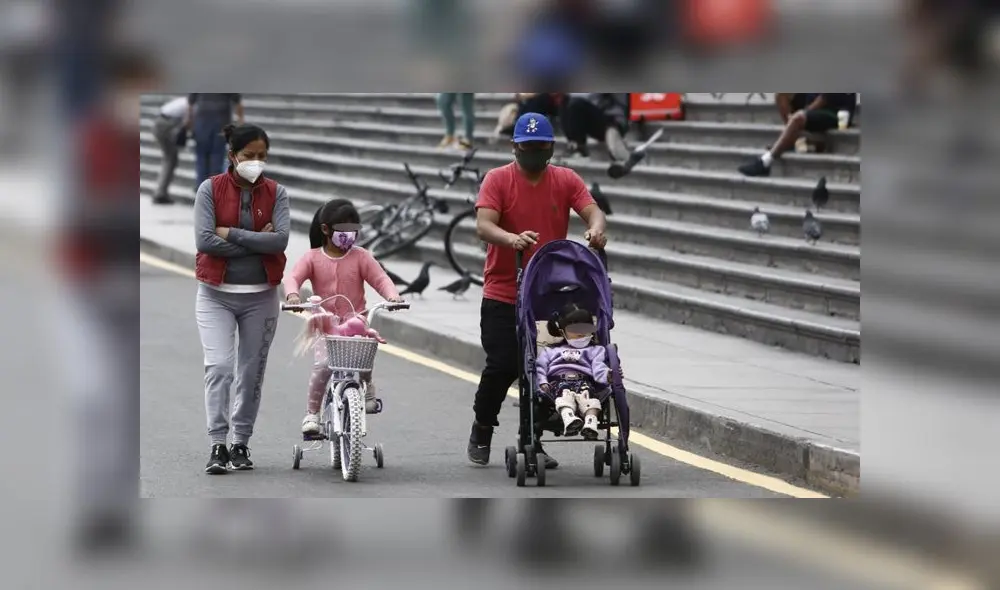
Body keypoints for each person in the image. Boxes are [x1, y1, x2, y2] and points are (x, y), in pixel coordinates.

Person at [468, 112, 608, 468]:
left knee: (545, 366)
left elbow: (593, 211)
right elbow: (484, 225)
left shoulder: (564, 179)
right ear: (515, 147)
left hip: (549, 294)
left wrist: (595, 229)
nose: (532, 153)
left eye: (539, 148)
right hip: (503, 290)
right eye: (526, 148)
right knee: (503, 365)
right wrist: (512, 239)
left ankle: (531, 441)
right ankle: (483, 424)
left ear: (550, 148)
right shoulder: (498, 180)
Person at [195, 123, 290, 474]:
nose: (256, 162)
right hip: (215, 295)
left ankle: (241, 444)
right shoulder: (209, 190)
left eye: (262, 156)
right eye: (249, 156)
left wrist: (231, 234)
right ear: (232, 155)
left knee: (252, 373)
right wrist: (254, 240)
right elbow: (205, 241)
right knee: (219, 368)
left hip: (261, 298)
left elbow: (279, 242)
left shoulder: (277, 193)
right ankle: (218, 443)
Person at [281, 199, 405, 434]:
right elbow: (292, 278)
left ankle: (367, 387)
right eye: (343, 232)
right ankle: (312, 414)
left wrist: (393, 297)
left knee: (364, 358)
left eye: (353, 231)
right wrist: (293, 296)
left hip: (356, 321)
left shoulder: (362, 257)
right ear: (326, 230)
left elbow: (381, 279)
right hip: (325, 325)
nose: (349, 237)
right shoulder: (312, 258)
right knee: (323, 366)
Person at [536, 303, 610, 440]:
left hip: (584, 380)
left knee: (590, 397)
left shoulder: (596, 350)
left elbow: (599, 367)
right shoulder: (551, 351)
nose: (580, 333)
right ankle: (569, 418)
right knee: (564, 394)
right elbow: (540, 368)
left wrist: (607, 375)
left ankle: (590, 422)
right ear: (562, 331)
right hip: (558, 381)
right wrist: (542, 382)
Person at [738, 93, 858, 177]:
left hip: (835, 112)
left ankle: (765, 162)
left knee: (798, 118)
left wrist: (804, 112)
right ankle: (794, 140)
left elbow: (825, 98)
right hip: (814, 102)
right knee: (782, 95)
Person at [188, 93, 244, 186]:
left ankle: (202, 187)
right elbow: (238, 103)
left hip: (202, 123)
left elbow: (190, 105)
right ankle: (214, 188)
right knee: (217, 157)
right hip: (220, 123)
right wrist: (241, 123)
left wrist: (189, 123)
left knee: (202, 157)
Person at [560, 93, 631, 162]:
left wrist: (618, 125)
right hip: (590, 116)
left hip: (612, 121)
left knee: (576, 104)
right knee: (565, 101)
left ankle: (580, 148)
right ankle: (573, 144)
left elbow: (622, 105)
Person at [151, 95, 188, 204]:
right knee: (170, 159)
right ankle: (160, 193)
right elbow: (187, 121)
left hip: (160, 121)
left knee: (170, 158)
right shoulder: (192, 105)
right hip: (165, 124)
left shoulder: (184, 101)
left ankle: (161, 191)